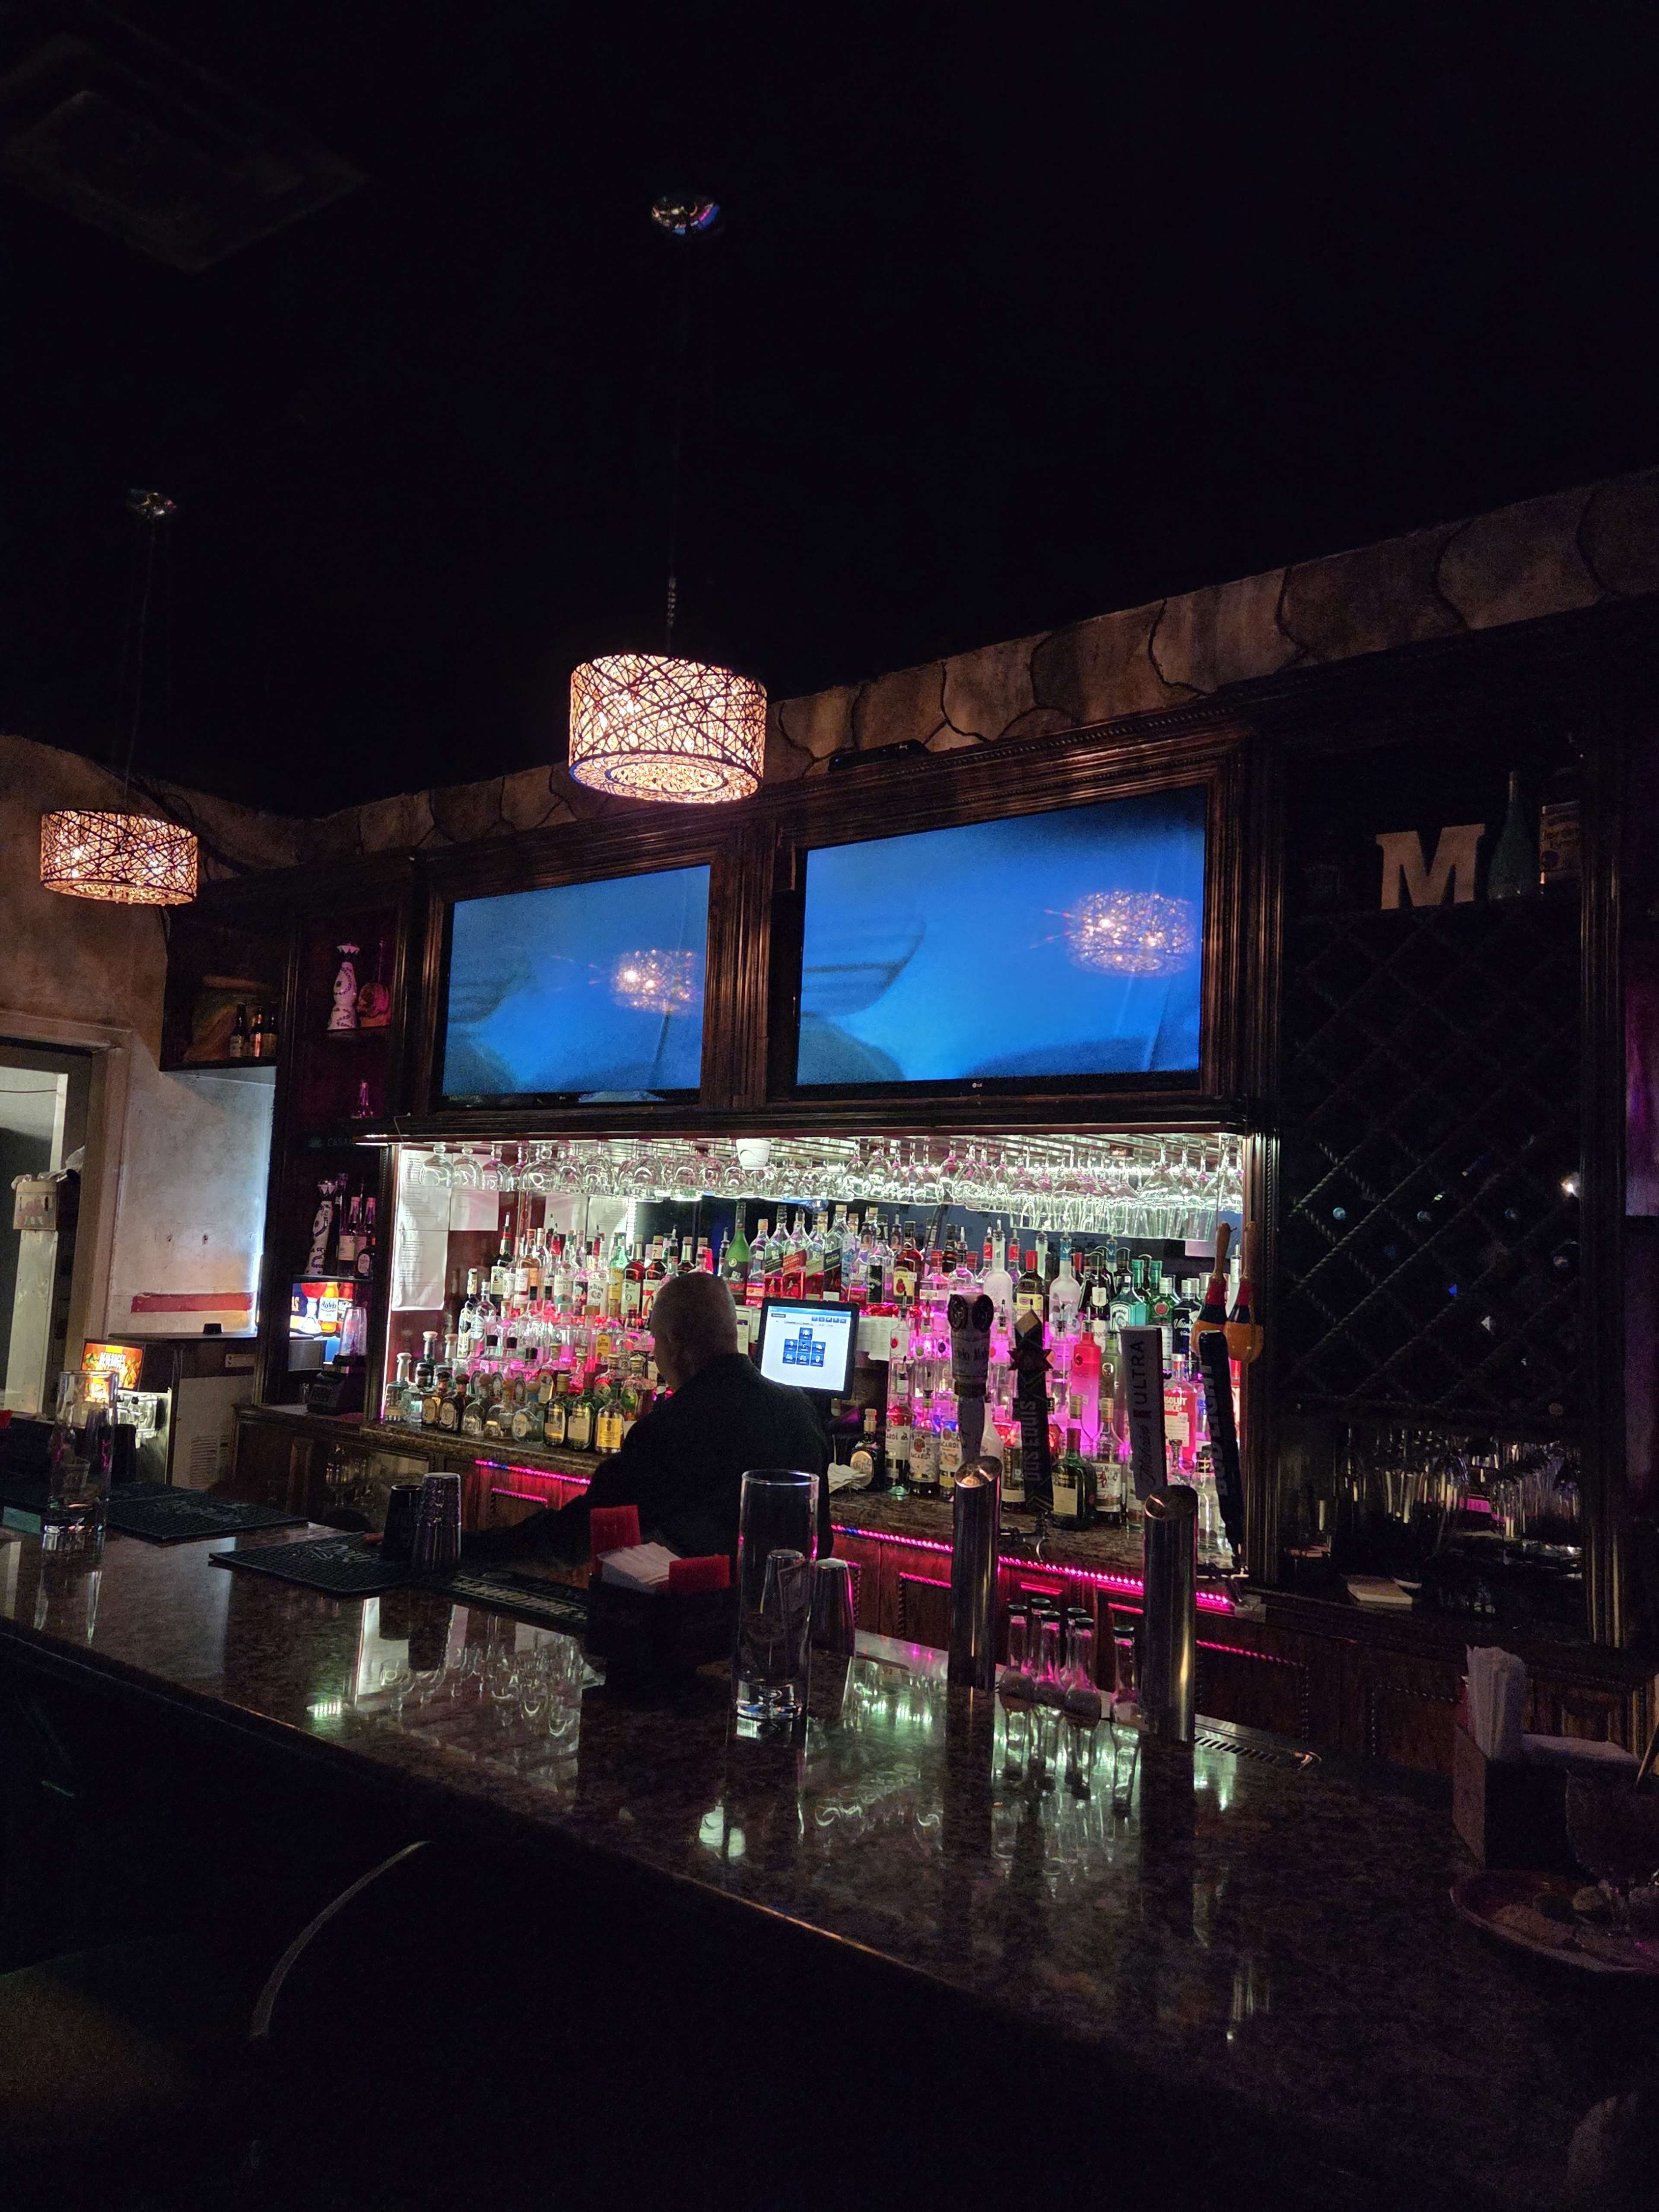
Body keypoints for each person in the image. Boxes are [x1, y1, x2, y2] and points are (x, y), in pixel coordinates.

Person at [467, 1271, 831, 1567]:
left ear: (675, 1342)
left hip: (696, 1629)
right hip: (786, 1622)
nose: (655, 1354)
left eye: (655, 1341)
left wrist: (475, 1549)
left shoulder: (672, 1427)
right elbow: (821, 1541)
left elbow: (584, 1530)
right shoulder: (799, 1408)